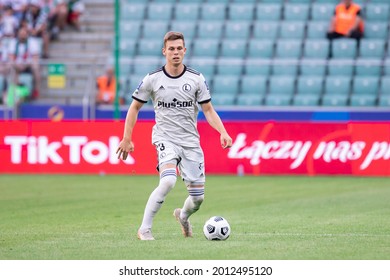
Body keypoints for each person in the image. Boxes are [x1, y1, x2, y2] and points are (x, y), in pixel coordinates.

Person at [116, 31, 233, 241]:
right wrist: (127, 137)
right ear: (164, 52)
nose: (176, 52)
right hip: (165, 138)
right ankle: (144, 229)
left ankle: (183, 217)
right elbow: (134, 108)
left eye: (179, 48)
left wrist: (222, 132)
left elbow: (207, 110)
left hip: (190, 142)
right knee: (168, 181)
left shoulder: (196, 79)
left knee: (198, 199)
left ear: (185, 51)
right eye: (171, 49)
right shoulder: (152, 79)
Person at [8, 26, 41, 99]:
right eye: (21, 34)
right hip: (17, 65)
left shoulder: (32, 42)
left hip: (28, 64)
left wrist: (26, 64)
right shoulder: (13, 42)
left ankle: (36, 90)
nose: (22, 35)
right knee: (10, 66)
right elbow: (11, 57)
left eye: (24, 34)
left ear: (27, 34)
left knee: (36, 66)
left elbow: (35, 57)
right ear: (18, 34)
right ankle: (12, 93)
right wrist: (17, 65)